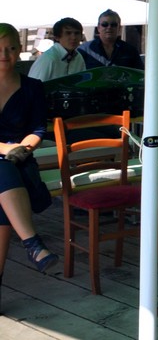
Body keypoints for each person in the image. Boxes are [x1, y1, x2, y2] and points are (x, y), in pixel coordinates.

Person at [0, 22, 59, 293]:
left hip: (19, 159)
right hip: (8, 161)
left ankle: (33, 247)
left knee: (4, 176)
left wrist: (24, 148)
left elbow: (38, 129)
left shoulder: (32, 87)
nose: (5, 54)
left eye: (11, 48)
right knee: (3, 170)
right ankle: (33, 244)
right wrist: (6, 149)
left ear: (20, 49)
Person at [29, 17, 86, 82]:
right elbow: (33, 86)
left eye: (77, 33)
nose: (73, 37)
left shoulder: (78, 57)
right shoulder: (48, 58)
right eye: (68, 33)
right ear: (57, 37)